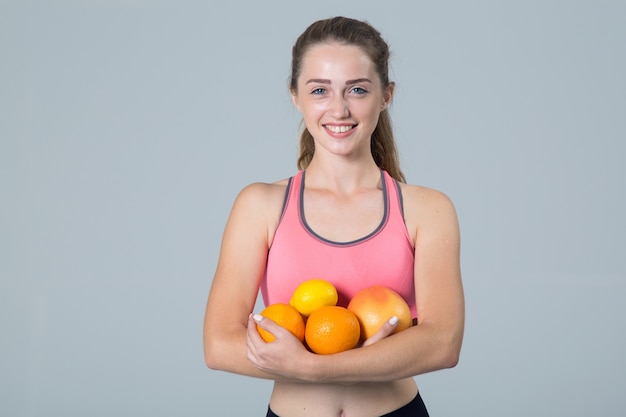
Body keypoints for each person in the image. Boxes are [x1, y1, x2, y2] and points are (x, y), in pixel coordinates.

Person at [203, 16, 465, 417]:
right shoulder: (260, 205)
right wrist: (340, 365)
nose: (338, 109)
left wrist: (310, 366)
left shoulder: (428, 209)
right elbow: (219, 344)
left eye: (357, 89)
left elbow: (443, 343)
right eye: (320, 90)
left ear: (386, 95)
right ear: (295, 96)